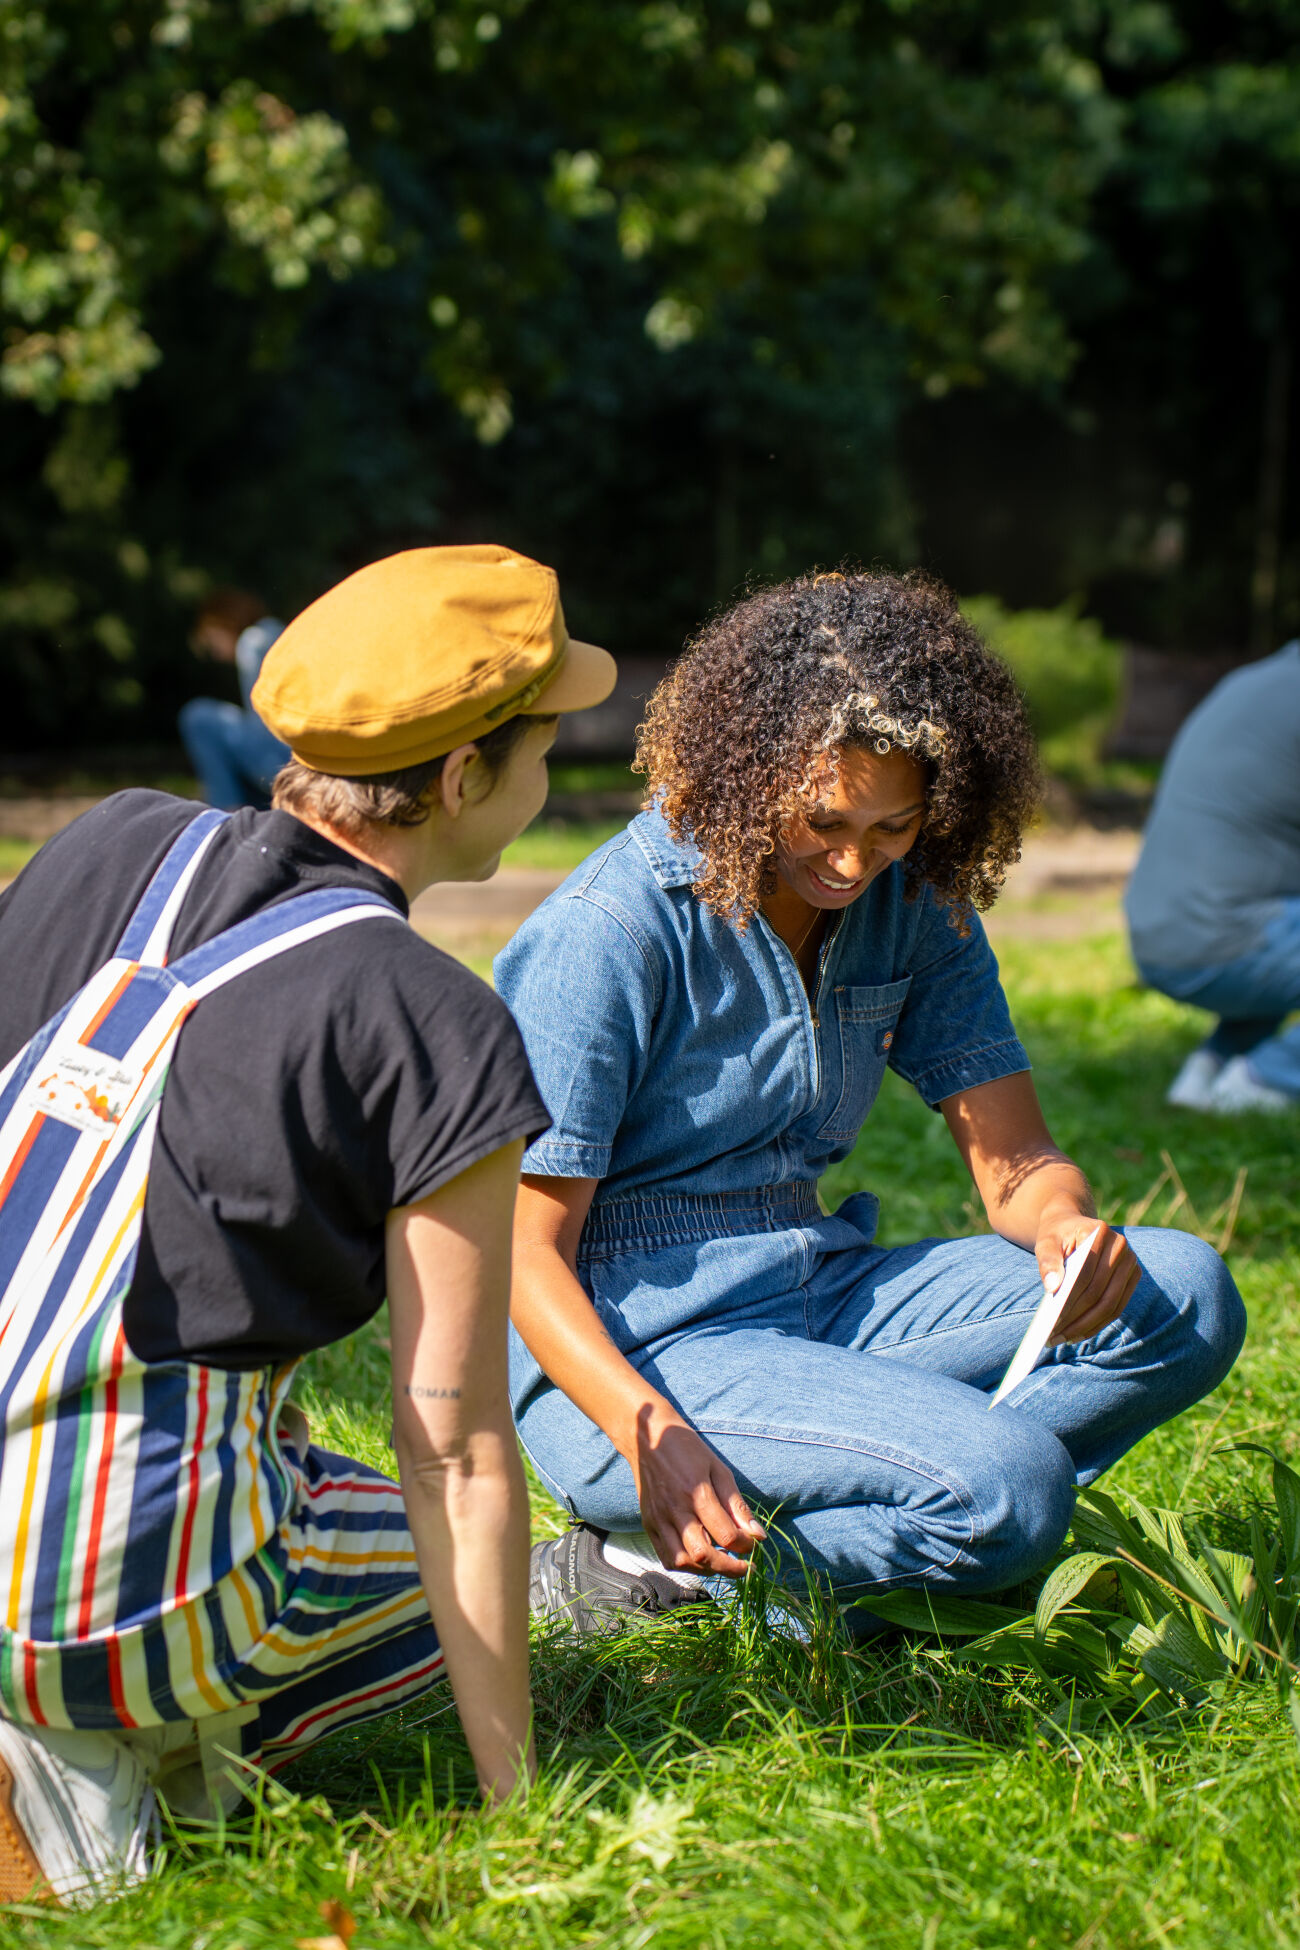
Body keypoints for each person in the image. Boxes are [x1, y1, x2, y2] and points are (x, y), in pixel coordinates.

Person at [0, 543, 615, 1904]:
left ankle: (118, 1724)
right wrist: (522, 1808)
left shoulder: (105, 837)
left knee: (286, 1454)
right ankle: (95, 1745)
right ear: (461, 778)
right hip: (89, 1584)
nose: (546, 785)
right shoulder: (433, 1021)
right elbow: (454, 1443)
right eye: (542, 754)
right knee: (494, 1573)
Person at [495, 570, 1245, 1634]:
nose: (854, 861)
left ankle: (830, 1531)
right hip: (637, 1361)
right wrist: (645, 1432)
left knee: (1185, 1291)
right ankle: (660, 1575)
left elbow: (1016, 1163)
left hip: (817, 1293)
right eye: (823, 821)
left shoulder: (913, 905)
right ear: (740, 771)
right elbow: (519, 1258)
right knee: (1014, 1485)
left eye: (894, 827)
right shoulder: (609, 935)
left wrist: (1067, 1226)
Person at [1124, 639, 1300, 1113]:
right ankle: (1269, 1079)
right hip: (1221, 941)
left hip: (1158, 932)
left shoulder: (1259, 680)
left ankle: (1211, 1070)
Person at [179, 587, 290, 809]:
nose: (217, 654)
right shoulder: (274, 631)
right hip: (301, 763)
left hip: (283, 764)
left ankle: (225, 811)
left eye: (211, 642)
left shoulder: (253, 642)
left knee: (198, 716)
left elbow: (265, 725)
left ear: (222, 624)